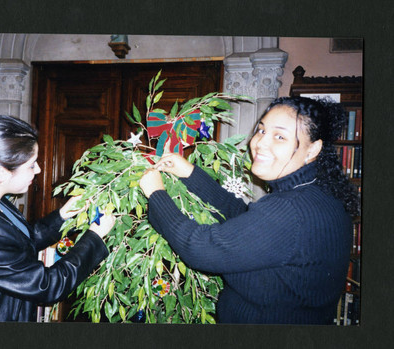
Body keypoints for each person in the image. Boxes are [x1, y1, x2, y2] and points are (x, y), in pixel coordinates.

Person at [139, 96, 359, 324]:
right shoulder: (315, 194)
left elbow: (200, 247)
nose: (260, 143)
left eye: (280, 136)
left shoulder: (291, 209)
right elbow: (246, 219)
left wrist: (156, 195)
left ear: (313, 149)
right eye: (262, 130)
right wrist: (190, 174)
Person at [0, 114, 115, 322]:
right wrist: (95, 237)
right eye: (32, 165)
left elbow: (21, 244)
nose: (39, 169)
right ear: (0, 174)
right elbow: (48, 286)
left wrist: (62, 217)